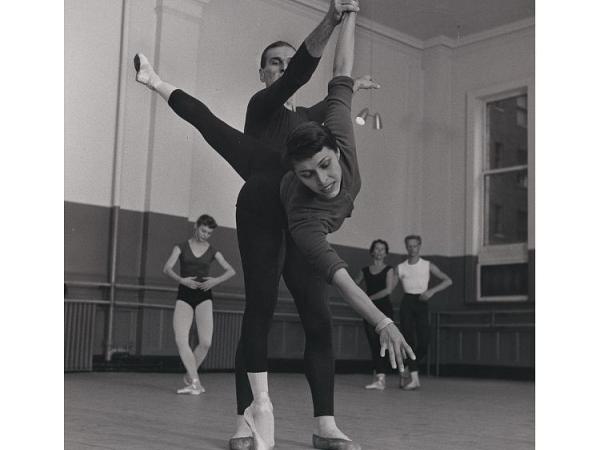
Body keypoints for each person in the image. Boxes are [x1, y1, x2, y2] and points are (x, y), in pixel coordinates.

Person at [134, 6, 414, 450]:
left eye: (287, 60)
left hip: (301, 217)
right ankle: (247, 418)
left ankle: (325, 425)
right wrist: (334, 19)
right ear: (263, 72)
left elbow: (334, 92)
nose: (282, 68)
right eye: (275, 63)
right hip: (262, 206)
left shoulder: (309, 121)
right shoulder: (261, 106)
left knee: (317, 317)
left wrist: (351, 80)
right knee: (259, 310)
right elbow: (298, 79)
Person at [162, 214, 236, 395]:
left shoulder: (212, 250)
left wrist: (215, 281)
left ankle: (190, 376)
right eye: (203, 231)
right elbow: (167, 268)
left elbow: (231, 270)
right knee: (181, 339)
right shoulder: (181, 247)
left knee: (205, 342)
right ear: (196, 226)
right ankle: (195, 382)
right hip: (185, 295)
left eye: (209, 233)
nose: (205, 235)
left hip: (204, 295)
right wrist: (182, 280)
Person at [396, 235, 453, 390]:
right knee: (409, 341)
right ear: (406, 247)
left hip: (422, 302)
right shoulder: (401, 267)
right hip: (407, 303)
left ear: (419, 246)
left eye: (415, 246)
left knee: (424, 343)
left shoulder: (428, 265)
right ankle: (415, 379)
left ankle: (407, 370)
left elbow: (448, 280)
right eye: (409, 246)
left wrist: (432, 291)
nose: (412, 249)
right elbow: (389, 286)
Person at [354, 239, 397, 390]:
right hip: (369, 310)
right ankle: (380, 378)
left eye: (382, 249)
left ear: (386, 253)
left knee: (383, 344)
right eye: (376, 249)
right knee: (373, 343)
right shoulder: (365, 270)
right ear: (372, 251)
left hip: (384, 309)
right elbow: (353, 285)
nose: (379, 252)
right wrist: (361, 300)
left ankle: (385, 375)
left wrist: (368, 299)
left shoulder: (389, 269)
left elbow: (388, 290)